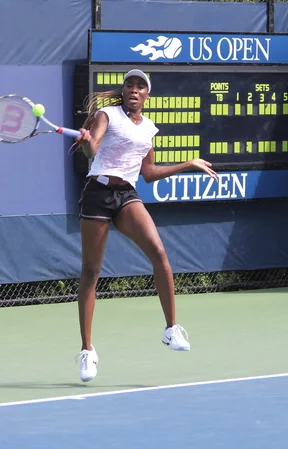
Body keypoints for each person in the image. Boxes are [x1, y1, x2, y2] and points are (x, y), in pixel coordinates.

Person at [73, 69, 218, 382]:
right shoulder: (106, 115)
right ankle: (87, 350)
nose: (134, 90)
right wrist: (86, 143)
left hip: (126, 194)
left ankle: (171, 329)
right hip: (98, 192)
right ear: (123, 91)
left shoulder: (149, 129)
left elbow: (149, 173)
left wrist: (188, 164)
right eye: (130, 85)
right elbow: (94, 148)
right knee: (90, 272)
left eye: (140, 86)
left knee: (158, 252)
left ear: (147, 95)